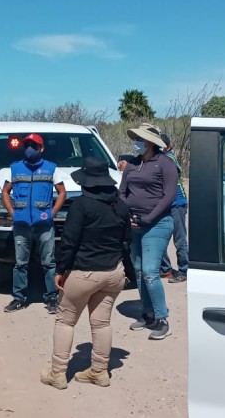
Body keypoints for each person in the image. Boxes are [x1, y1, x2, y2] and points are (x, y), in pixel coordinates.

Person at [40, 157, 131, 390]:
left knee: (65, 321)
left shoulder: (81, 206)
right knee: (101, 324)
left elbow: (69, 242)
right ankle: (99, 372)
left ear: (86, 182)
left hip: (84, 273)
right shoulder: (121, 205)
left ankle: (58, 373)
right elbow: (127, 242)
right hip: (113, 273)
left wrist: (60, 270)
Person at [119, 123, 178, 340]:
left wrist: (149, 218)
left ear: (151, 142)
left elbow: (168, 196)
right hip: (135, 225)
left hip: (158, 224)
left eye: (140, 139)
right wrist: (127, 215)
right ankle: (148, 314)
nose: (137, 142)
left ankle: (162, 318)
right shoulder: (132, 164)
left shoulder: (165, 164)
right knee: (139, 270)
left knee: (151, 271)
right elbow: (123, 191)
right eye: (136, 138)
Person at [1, 133, 66, 314]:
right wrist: (12, 213)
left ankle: (52, 298)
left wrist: (52, 213)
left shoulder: (51, 169)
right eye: (27, 145)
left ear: (41, 148)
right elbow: (5, 192)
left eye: (34, 146)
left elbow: (62, 192)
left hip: (44, 224)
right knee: (21, 262)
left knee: (48, 262)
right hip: (21, 224)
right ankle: (19, 298)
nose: (30, 149)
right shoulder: (14, 169)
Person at [158, 134, 188, 283]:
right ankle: (165, 269)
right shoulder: (160, 159)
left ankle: (184, 270)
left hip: (177, 203)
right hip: (166, 204)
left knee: (179, 239)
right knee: (160, 238)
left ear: (167, 146)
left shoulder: (169, 160)